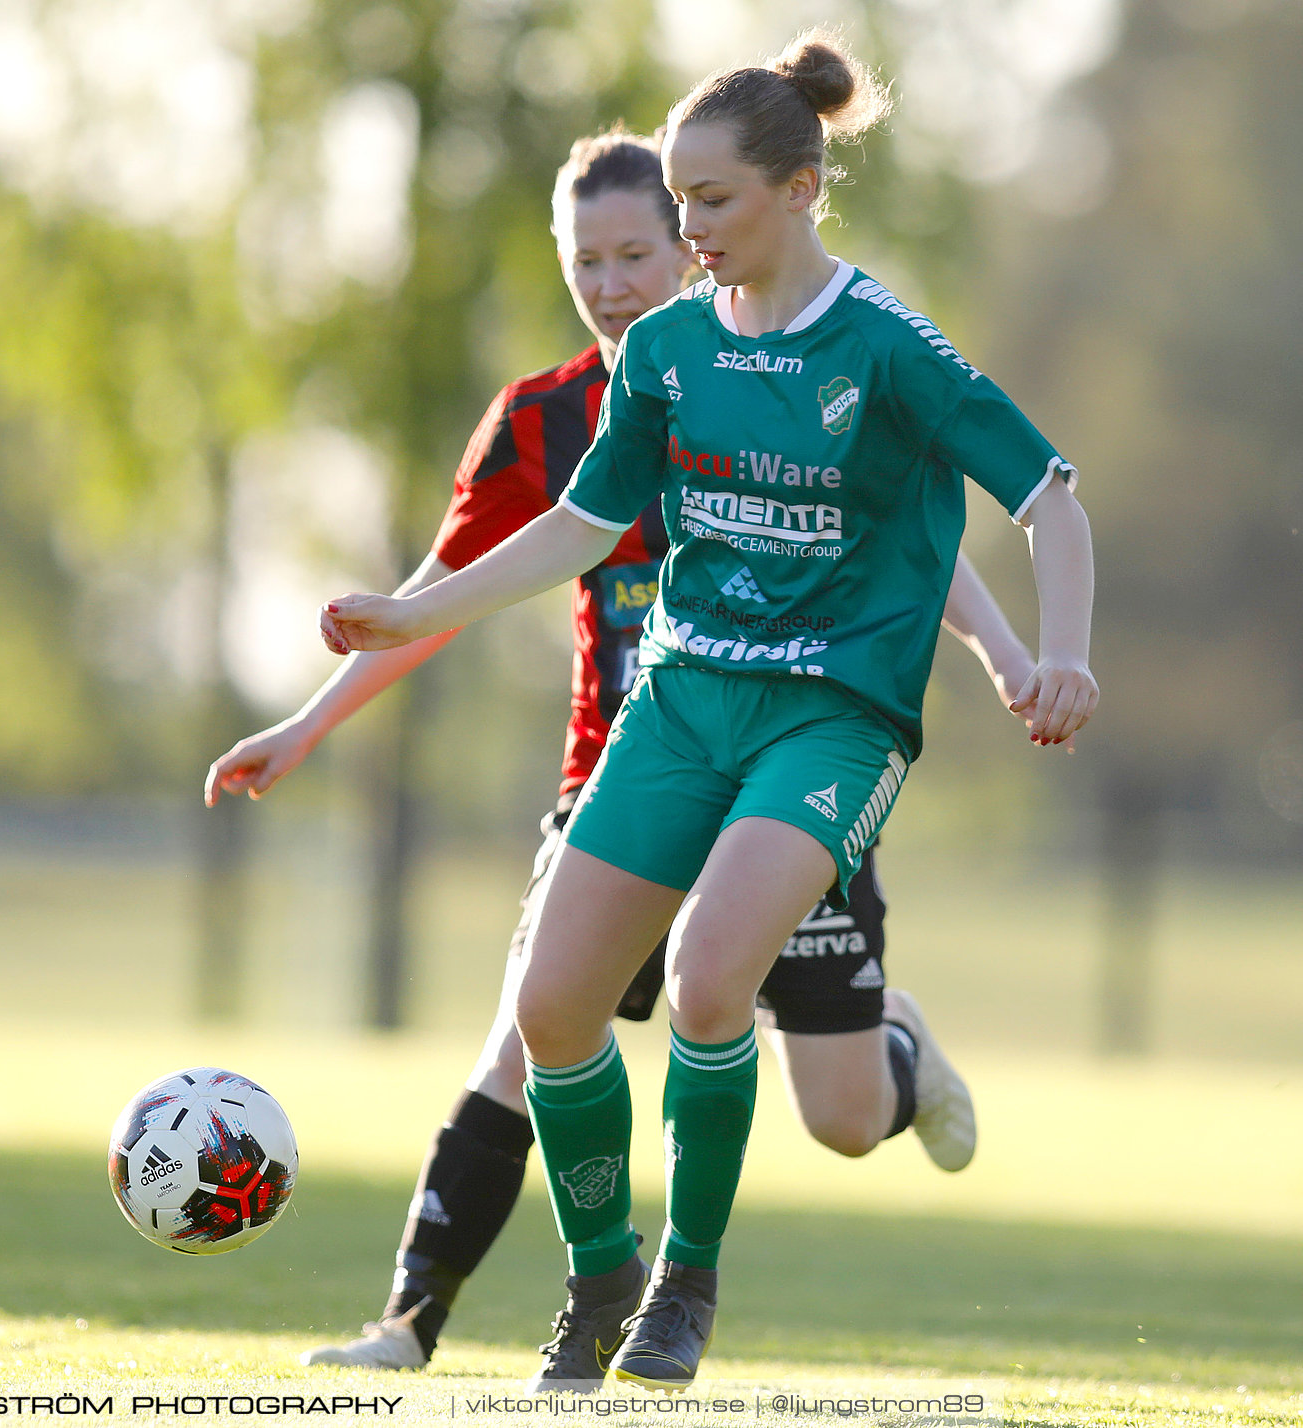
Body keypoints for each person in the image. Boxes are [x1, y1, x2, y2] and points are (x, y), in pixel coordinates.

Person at [317, 31, 1096, 1394]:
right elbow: (580, 524)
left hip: (830, 723)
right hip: (680, 707)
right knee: (554, 1011)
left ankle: (685, 1285)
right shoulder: (666, 349)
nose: (690, 229)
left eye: (714, 202)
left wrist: (1057, 656)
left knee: (706, 985)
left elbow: (1051, 502)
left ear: (800, 190)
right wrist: (413, 610)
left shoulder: (887, 348)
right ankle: (603, 1271)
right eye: (679, 204)